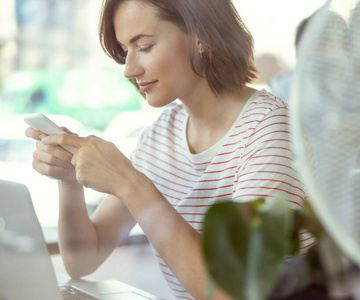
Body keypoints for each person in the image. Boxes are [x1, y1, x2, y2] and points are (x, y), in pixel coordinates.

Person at [25, 0, 315, 299]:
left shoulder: (269, 129)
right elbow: (82, 260)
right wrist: (70, 181)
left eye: (145, 47)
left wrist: (131, 184)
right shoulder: (162, 135)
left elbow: (236, 293)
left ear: (202, 37)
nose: (129, 69)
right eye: (125, 51)